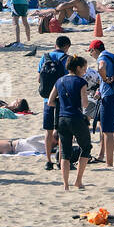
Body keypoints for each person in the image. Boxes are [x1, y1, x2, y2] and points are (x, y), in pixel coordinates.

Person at [55, 55, 96, 191]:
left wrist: (63, 102)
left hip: (62, 118)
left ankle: (65, 184)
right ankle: (78, 181)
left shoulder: (60, 81)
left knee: (65, 152)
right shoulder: (80, 82)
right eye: (83, 68)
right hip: (76, 118)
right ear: (78, 68)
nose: (84, 71)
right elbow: (84, 104)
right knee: (86, 147)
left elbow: (50, 101)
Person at [38, 34, 73, 170]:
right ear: (67, 47)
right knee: (63, 131)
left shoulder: (44, 57)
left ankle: (48, 161)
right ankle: (60, 160)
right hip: (62, 100)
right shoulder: (67, 59)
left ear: (55, 45)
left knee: (48, 131)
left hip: (47, 99)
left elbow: (39, 78)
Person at [94, 39, 114, 168]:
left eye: (91, 52)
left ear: (94, 50)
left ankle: (109, 163)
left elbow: (101, 67)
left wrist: (104, 79)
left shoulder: (102, 57)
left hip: (108, 97)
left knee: (107, 131)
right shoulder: (113, 56)